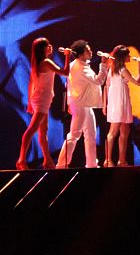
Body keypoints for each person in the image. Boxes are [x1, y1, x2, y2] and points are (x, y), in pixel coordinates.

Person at [16, 37, 71, 170]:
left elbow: (31, 83)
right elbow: (65, 72)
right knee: (32, 129)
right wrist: (67, 56)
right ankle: (21, 160)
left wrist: (30, 102)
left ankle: (47, 160)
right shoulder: (46, 62)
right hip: (41, 100)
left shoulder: (40, 63)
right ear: (43, 49)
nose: (50, 46)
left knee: (42, 131)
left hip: (42, 99)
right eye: (47, 45)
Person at [56, 40, 109, 168]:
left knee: (90, 134)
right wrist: (103, 65)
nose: (90, 52)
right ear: (80, 54)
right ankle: (61, 164)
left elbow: (68, 85)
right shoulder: (81, 67)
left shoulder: (76, 64)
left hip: (83, 104)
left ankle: (91, 164)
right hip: (80, 105)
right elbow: (98, 81)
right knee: (74, 134)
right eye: (87, 50)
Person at [103, 45, 140, 167]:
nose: (130, 57)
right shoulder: (121, 70)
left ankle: (122, 160)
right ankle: (108, 160)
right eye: (128, 55)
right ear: (123, 57)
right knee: (113, 132)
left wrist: (105, 104)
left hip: (122, 102)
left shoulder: (115, 69)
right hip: (118, 103)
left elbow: (107, 86)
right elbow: (138, 82)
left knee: (125, 132)